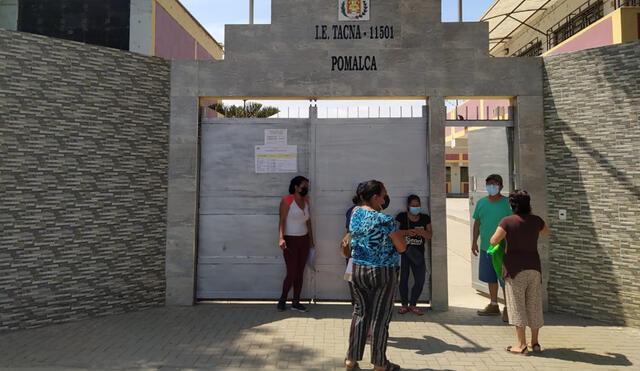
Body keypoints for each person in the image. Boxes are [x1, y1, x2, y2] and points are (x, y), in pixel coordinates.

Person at [345, 180, 410, 371]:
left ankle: (351, 360)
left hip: (357, 269)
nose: (385, 198)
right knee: (380, 318)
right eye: (383, 195)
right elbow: (401, 247)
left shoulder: (355, 212)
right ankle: (380, 364)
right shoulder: (386, 220)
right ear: (375, 197)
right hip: (382, 271)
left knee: (360, 313)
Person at [490, 190, 550, 355]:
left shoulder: (507, 221)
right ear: (528, 204)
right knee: (534, 305)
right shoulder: (536, 220)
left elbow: (493, 240)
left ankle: (521, 344)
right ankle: (535, 343)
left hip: (514, 269)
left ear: (512, 204)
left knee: (517, 306)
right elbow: (546, 232)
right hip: (534, 268)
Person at [472, 174, 513, 321]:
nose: (491, 187)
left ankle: (509, 308)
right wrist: (473, 241)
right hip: (485, 247)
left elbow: (512, 225)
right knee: (490, 278)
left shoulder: (507, 203)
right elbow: (477, 223)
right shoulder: (481, 203)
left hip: (502, 249)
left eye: (495, 184)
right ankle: (493, 304)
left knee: (504, 278)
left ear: (501, 186)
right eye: (489, 184)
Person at [277, 176, 314, 312]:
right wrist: (281, 238)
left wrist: (311, 240)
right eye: (303, 186)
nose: (306, 189)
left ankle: (296, 302)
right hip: (290, 241)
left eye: (307, 186)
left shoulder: (306, 202)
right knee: (291, 272)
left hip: (303, 240)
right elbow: (281, 220)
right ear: (296, 187)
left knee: (300, 273)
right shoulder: (287, 200)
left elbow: (308, 222)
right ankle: (282, 299)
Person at [396, 195, 432, 315]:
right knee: (403, 280)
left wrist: (422, 232)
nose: (416, 207)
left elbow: (430, 235)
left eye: (418, 205)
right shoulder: (401, 217)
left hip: (418, 255)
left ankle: (413, 304)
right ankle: (404, 305)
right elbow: (394, 233)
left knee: (420, 280)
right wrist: (407, 232)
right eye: (413, 205)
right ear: (408, 206)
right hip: (404, 253)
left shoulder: (425, 218)